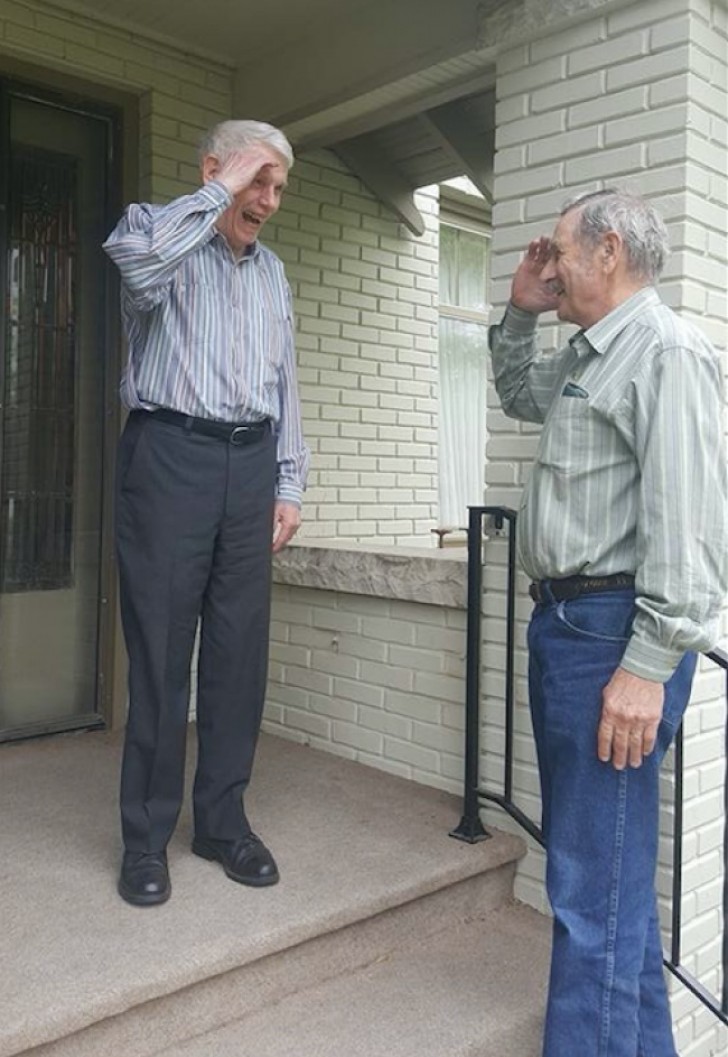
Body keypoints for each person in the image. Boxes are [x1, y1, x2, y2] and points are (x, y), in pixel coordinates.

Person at [488, 188, 727, 1057]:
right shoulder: (592, 352)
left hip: (614, 638)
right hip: (568, 630)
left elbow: (692, 530)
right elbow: (519, 391)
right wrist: (522, 307)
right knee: (609, 886)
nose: (552, 263)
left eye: (560, 251)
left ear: (610, 250)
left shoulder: (666, 351)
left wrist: (648, 664)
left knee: (592, 895)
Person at [103, 119, 309, 907]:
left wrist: (289, 481)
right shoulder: (155, 236)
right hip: (169, 455)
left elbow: (285, 380)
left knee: (237, 652)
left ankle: (222, 821)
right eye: (257, 178)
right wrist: (218, 192)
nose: (267, 199)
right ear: (215, 170)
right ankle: (145, 836)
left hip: (250, 464)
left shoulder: (273, 273)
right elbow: (136, 261)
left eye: (278, 187)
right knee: (160, 651)